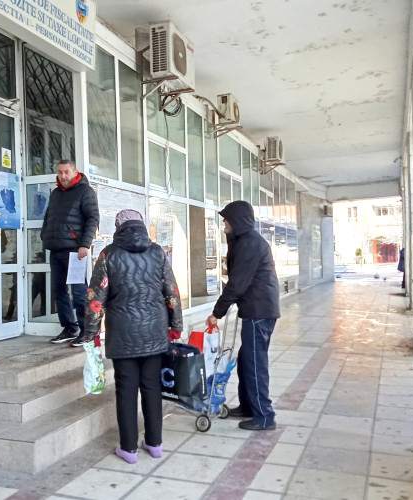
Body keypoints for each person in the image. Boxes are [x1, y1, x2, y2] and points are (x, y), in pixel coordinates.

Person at [82, 209, 183, 464]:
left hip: (122, 333)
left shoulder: (108, 254)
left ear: (118, 227)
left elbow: (96, 299)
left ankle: (128, 449)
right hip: (154, 331)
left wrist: (91, 333)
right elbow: (172, 291)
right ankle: (155, 443)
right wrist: (176, 325)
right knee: (152, 387)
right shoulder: (157, 252)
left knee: (126, 390)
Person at [206, 200, 280, 431]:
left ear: (236, 221)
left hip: (259, 311)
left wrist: (217, 313)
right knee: (246, 361)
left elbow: (237, 284)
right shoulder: (244, 241)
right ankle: (248, 406)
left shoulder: (249, 243)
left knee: (255, 364)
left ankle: (264, 416)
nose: (224, 225)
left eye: (226, 221)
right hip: (257, 309)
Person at [40, 160, 99, 346]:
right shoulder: (56, 193)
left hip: (75, 250)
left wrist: (85, 244)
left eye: (66, 172)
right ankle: (69, 328)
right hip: (56, 248)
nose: (63, 176)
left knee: (79, 291)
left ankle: (86, 331)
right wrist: (44, 235)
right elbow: (48, 217)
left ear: (75, 172)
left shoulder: (85, 191)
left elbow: (93, 218)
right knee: (59, 291)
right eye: (60, 172)